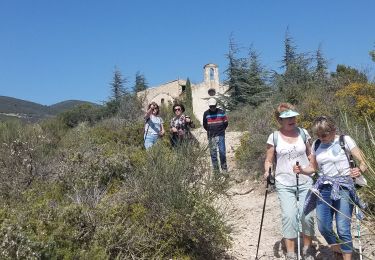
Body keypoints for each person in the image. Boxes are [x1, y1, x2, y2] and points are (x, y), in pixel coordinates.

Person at [294, 116, 367, 260]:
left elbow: (363, 161)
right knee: (323, 227)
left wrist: (359, 170)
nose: (321, 137)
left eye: (324, 134)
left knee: (343, 227)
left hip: (344, 187)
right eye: (318, 135)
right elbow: (313, 168)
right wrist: (301, 170)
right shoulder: (316, 144)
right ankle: (337, 247)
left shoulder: (345, 140)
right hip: (324, 188)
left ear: (333, 130)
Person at [264, 103, 315, 260]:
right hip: (284, 182)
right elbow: (269, 159)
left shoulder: (303, 133)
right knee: (289, 216)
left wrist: (313, 167)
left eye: (293, 116)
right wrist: (267, 171)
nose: (291, 119)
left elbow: (310, 154)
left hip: (305, 180)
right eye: (287, 118)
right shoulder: (274, 137)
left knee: (307, 216)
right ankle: (291, 253)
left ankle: (307, 249)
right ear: (279, 120)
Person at [203, 98, 228, 173]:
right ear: (209, 106)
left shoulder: (221, 112)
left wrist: (221, 130)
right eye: (210, 106)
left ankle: (224, 169)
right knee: (213, 154)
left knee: (222, 152)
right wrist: (210, 131)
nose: (212, 108)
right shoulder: (206, 113)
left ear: (216, 105)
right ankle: (216, 172)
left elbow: (226, 123)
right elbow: (204, 124)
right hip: (211, 136)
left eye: (213, 106)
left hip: (220, 135)